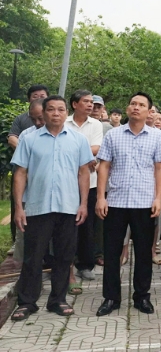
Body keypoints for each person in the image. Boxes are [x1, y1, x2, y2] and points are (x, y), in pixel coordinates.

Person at [10, 95, 93, 321]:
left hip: (68, 207)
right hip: (37, 207)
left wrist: (83, 204)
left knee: (65, 257)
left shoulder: (78, 140)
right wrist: (19, 207)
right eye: (51, 109)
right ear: (44, 113)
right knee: (33, 257)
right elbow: (20, 173)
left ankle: (58, 300)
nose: (56, 113)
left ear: (66, 113)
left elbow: (83, 172)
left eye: (60, 109)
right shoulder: (29, 139)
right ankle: (27, 302)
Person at [95, 92, 161, 316]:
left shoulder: (158, 137)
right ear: (128, 109)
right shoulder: (113, 135)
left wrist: (158, 198)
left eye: (141, 105)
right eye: (133, 104)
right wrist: (101, 197)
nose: (136, 107)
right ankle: (111, 297)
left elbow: (160, 168)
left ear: (149, 111)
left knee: (144, 253)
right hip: (116, 202)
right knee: (112, 252)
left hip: (145, 202)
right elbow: (104, 166)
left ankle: (142, 296)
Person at [66, 90, 104, 286]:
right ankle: (66, 265)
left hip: (91, 182)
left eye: (91, 102)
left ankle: (85, 265)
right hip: (67, 182)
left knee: (87, 225)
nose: (90, 105)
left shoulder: (96, 124)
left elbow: (97, 148)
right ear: (75, 104)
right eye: (86, 101)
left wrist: (71, 154)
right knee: (66, 224)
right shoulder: (65, 123)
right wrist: (85, 156)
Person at [7, 84, 50, 250]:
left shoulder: (67, 133)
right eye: (34, 119)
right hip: (28, 187)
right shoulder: (26, 133)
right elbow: (20, 169)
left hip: (52, 192)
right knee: (26, 229)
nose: (38, 123)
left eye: (41, 118)